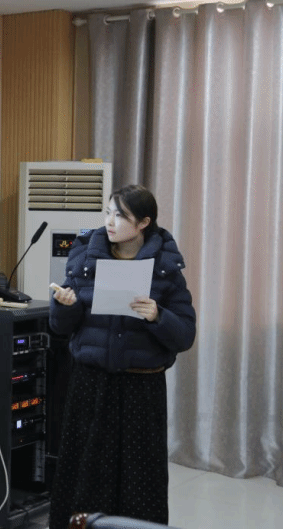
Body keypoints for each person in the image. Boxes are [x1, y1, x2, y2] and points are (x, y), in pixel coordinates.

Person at [47, 184, 196, 528]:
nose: (110, 222)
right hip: (90, 385)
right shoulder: (85, 257)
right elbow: (60, 326)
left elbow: (185, 335)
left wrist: (158, 316)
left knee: (139, 478)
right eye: (108, 213)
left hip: (140, 389)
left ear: (144, 223)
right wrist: (65, 306)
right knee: (84, 474)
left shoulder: (165, 268)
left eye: (120, 215)